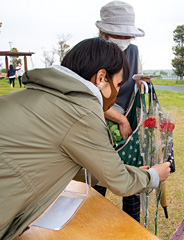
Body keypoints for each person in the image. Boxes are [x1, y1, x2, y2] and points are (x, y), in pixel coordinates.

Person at [0, 37, 171, 240]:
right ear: (101, 78)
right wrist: (153, 175)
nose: (116, 92)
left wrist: (116, 172)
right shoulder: (82, 111)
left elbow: (58, 161)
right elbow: (121, 183)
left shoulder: (33, 96)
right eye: (117, 84)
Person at [95, 0, 147, 222]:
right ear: (103, 32)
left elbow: (137, 84)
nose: (124, 41)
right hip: (99, 122)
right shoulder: (92, 53)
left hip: (129, 125)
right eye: (120, 35)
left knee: (132, 177)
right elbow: (89, 97)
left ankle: (132, 227)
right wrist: (119, 119)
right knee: (97, 180)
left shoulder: (134, 52)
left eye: (128, 36)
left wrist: (143, 86)